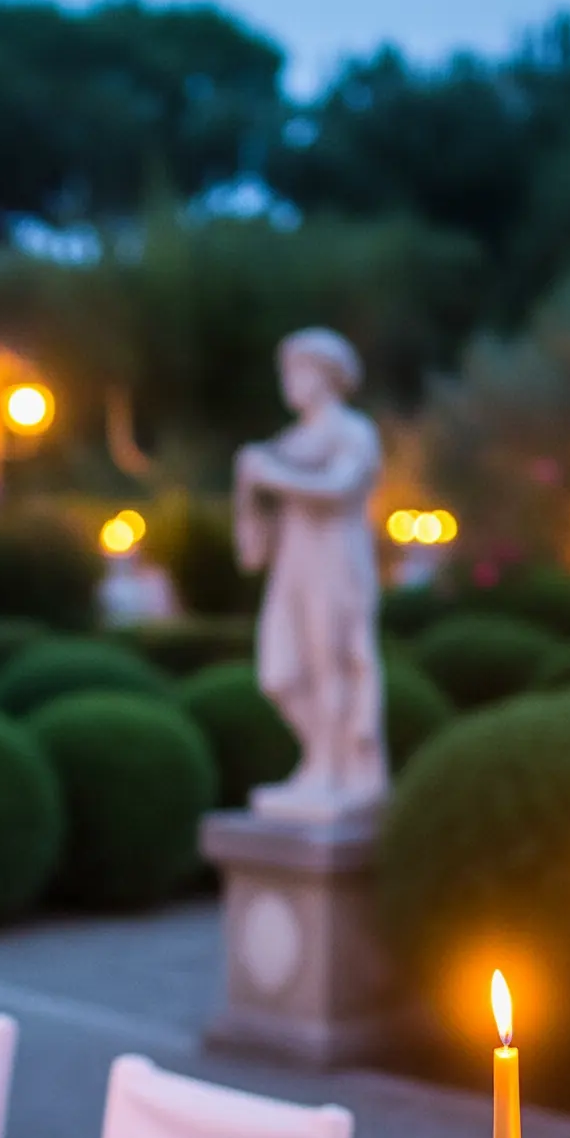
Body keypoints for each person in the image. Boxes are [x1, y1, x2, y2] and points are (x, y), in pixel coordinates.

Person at [233, 328, 387, 820]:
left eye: (299, 371)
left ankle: (338, 770)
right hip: (293, 563)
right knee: (280, 671)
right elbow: (256, 535)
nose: (290, 382)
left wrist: (268, 474)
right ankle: (319, 758)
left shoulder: (353, 432)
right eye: (287, 371)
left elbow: (338, 489)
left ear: (325, 377)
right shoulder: (287, 442)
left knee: (332, 661)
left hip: (335, 558)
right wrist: (248, 491)